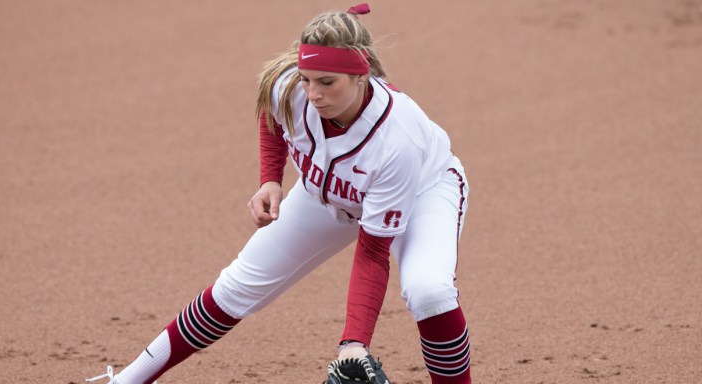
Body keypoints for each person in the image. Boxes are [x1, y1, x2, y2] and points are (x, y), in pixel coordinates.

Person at [86, 3, 471, 384]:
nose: (313, 93)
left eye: (327, 82)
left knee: (428, 290)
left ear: (361, 75)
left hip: (422, 191)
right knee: (234, 288)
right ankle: (126, 381)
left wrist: (353, 343)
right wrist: (270, 178)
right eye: (307, 78)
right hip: (328, 194)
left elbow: (372, 253)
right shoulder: (290, 85)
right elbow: (275, 115)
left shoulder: (398, 139)